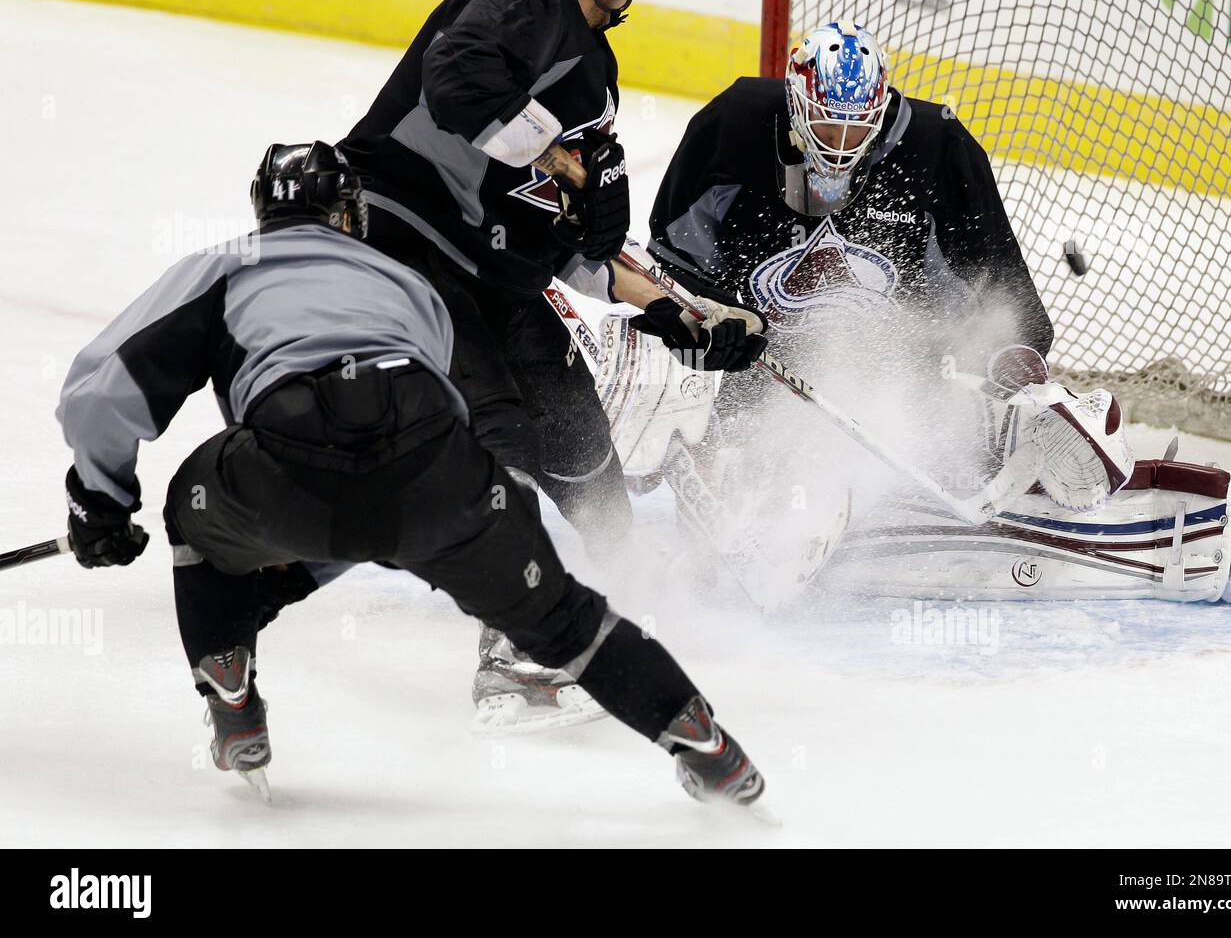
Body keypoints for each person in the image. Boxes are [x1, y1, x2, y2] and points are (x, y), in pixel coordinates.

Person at [54, 141, 767, 811]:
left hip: (288, 463)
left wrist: (101, 504)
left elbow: (102, 389)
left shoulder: (227, 266)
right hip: (436, 468)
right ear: (349, 214)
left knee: (195, 516)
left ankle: (230, 693)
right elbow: (413, 437)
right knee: (565, 618)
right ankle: (706, 743)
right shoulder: (404, 282)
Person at [335, 0, 766, 728]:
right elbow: (456, 84)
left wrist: (681, 313)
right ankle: (516, 651)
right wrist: (570, 164)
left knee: (578, 437)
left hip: (493, 269)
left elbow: (570, 250)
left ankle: (619, 591)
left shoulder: (589, 80)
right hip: (402, 241)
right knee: (500, 437)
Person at [628, 21, 1134, 590]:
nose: (840, 144)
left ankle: (1019, 438)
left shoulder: (936, 144)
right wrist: (717, 317)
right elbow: (673, 262)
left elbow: (997, 277)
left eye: (857, 127)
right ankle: (727, 474)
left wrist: (1014, 362)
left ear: (882, 110)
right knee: (738, 482)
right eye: (825, 123)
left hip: (899, 371)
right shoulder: (733, 125)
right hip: (759, 365)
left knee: (962, 450)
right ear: (795, 104)